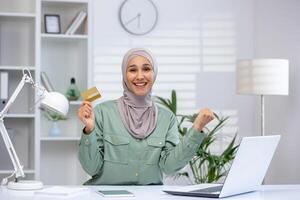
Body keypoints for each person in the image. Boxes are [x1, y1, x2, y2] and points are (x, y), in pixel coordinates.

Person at [78, 48, 214, 185]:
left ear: (154, 74)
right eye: (132, 70)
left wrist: (197, 128)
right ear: (124, 75)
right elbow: (91, 168)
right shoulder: (102, 112)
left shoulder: (167, 118)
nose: (140, 76)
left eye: (146, 69)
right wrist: (89, 130)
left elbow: (170, 167)